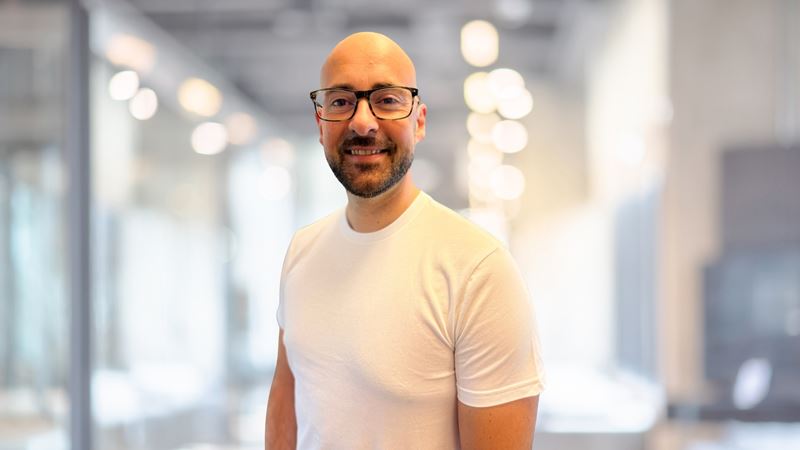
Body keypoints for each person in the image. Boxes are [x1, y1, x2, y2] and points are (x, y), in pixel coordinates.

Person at [265, 31, 545, 450]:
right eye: (340, 101)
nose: (362, 122)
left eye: (387, 99)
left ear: (419, 121)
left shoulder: (478, 269)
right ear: (320, 124)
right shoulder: (301, 252)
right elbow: (287, 395)